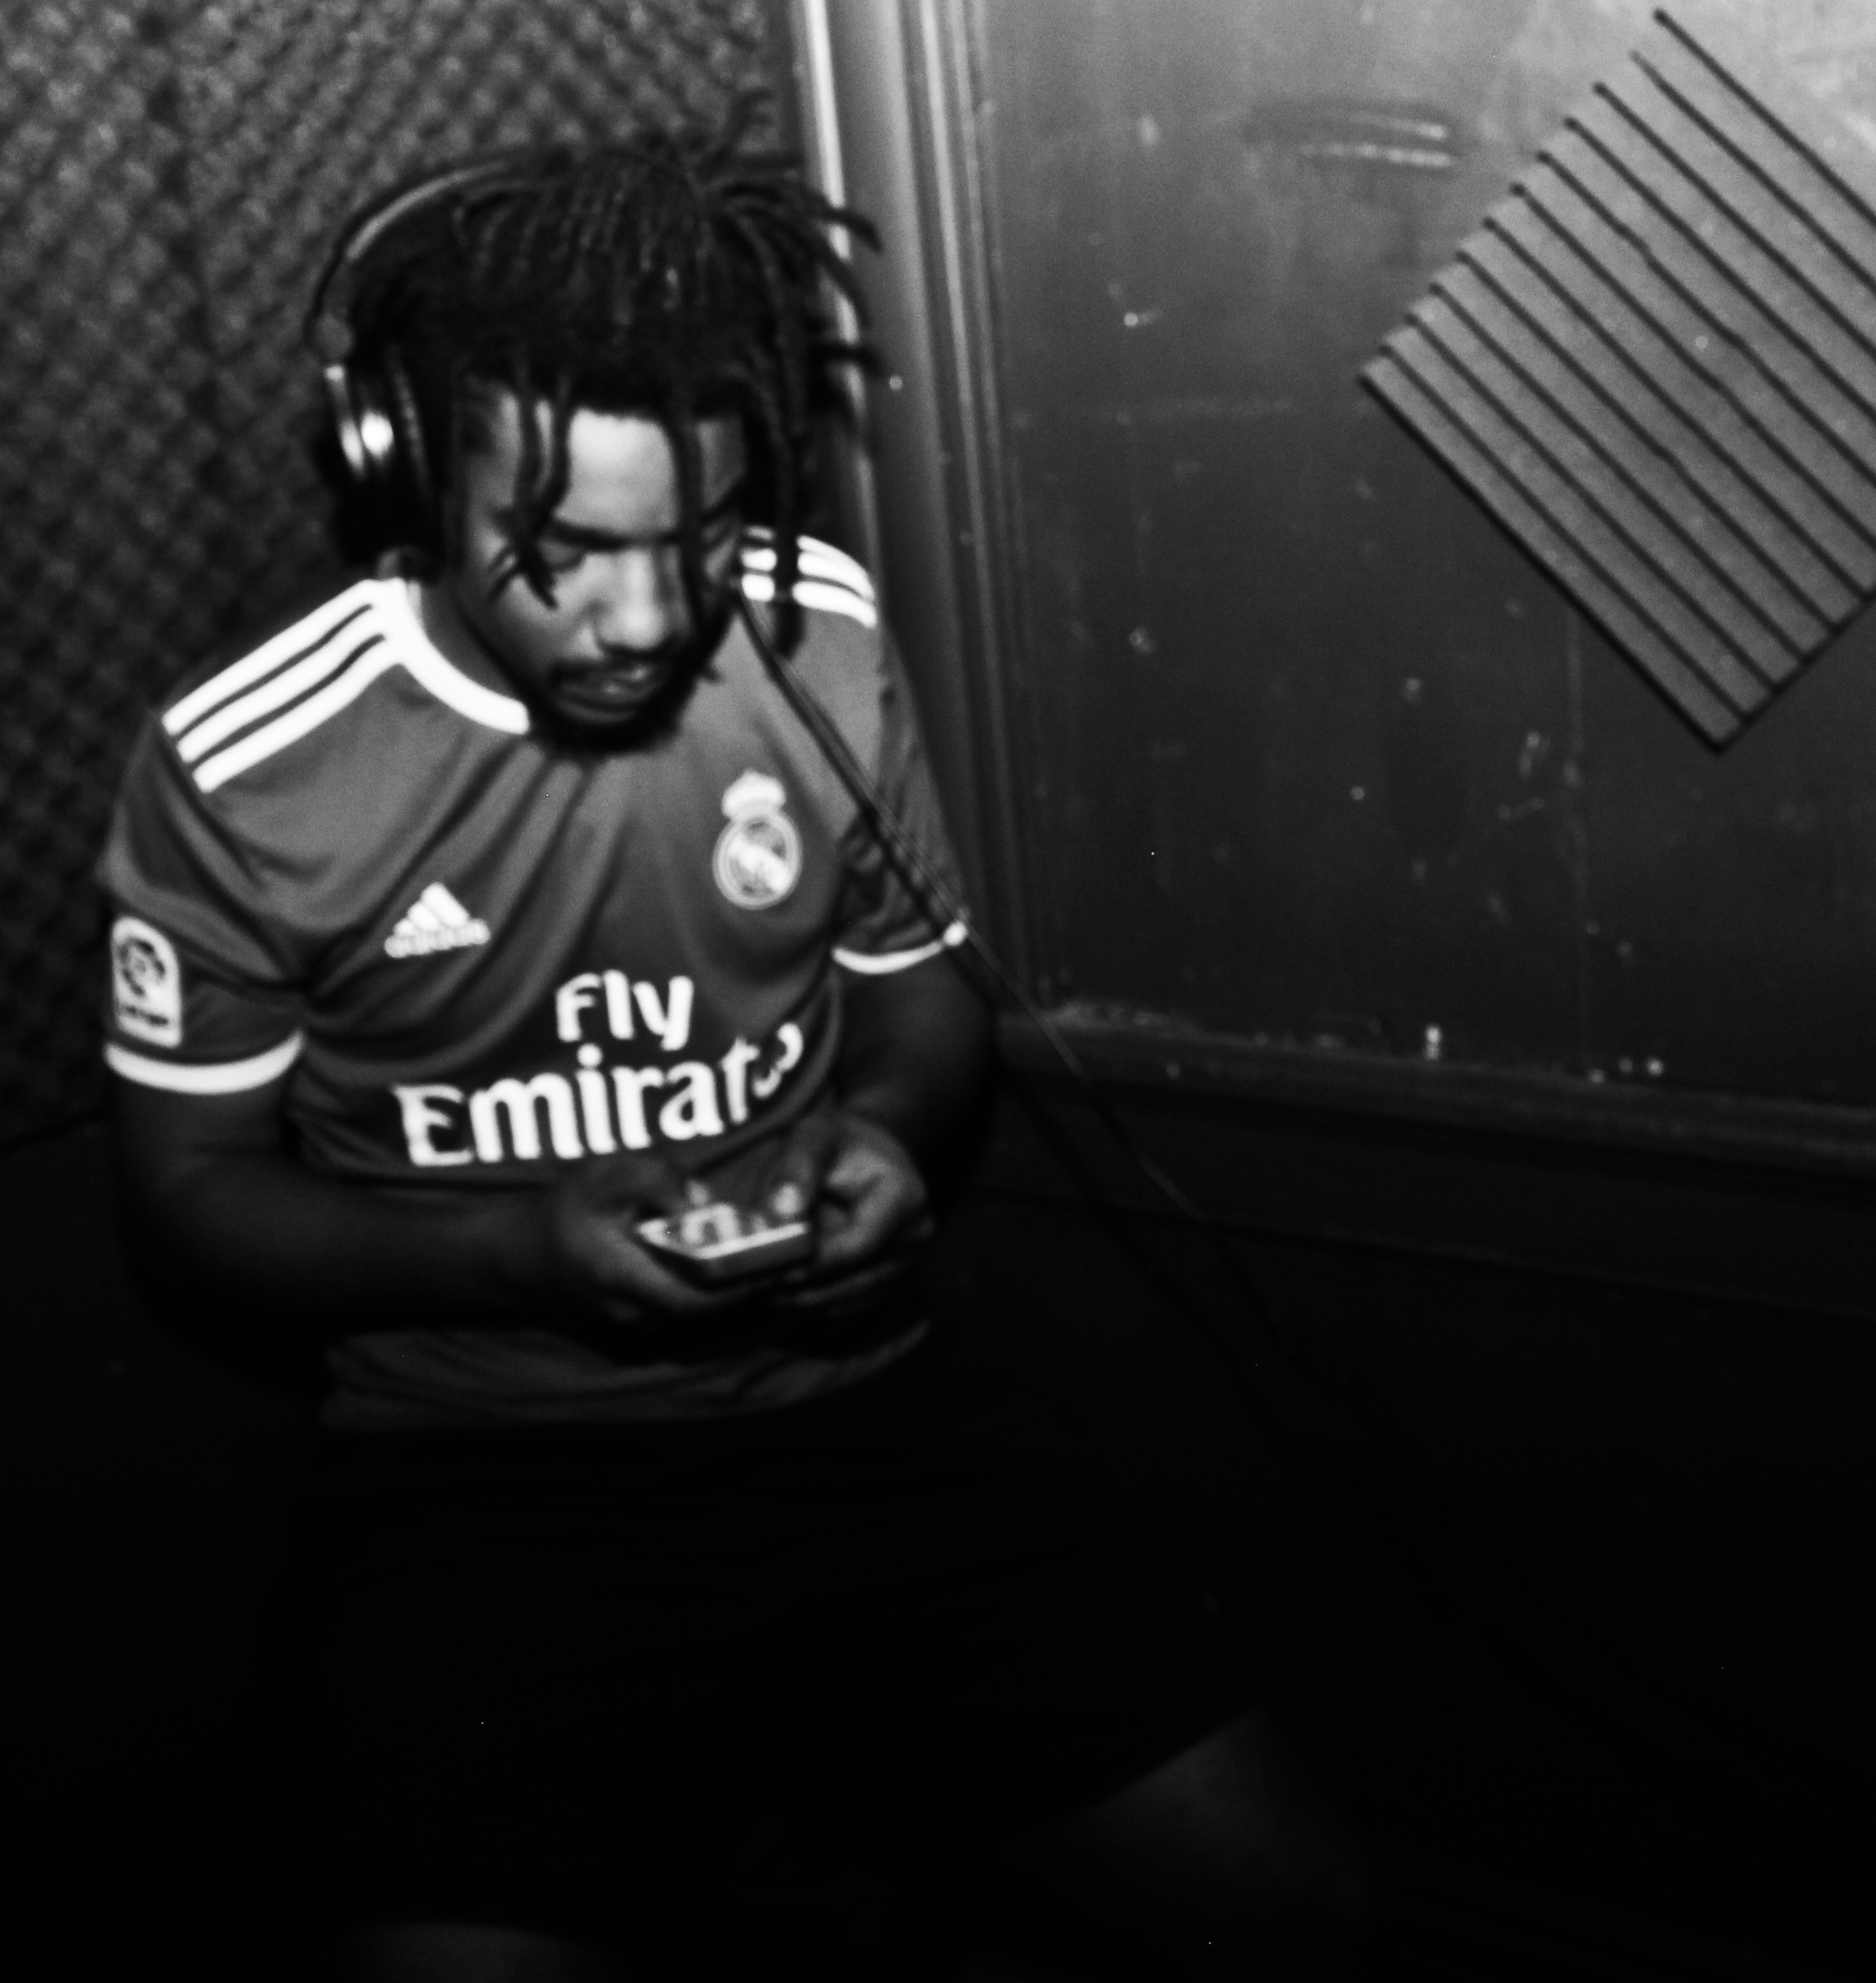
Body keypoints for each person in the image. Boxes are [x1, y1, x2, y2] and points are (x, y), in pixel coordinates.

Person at [95, 123, 1369, 1979]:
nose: (649, 616)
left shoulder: (810, 634)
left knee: (1297, 1916)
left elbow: (919, 999)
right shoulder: (249, 768)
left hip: (870, 1420)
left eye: (697, 537)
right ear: (405, 470)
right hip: (480, 1490)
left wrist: (889, 1135)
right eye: (563, 554)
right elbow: (193, 1198)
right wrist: (522, 1255)